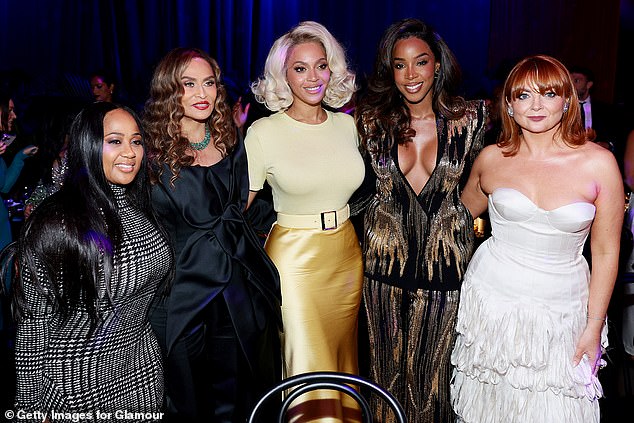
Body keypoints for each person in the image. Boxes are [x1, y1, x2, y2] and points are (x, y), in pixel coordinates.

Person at [451, 55, 623, 422]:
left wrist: (594, 326)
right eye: (524, 95)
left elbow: (607, 250)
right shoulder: (492, 159)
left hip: (563, 312)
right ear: (509, 106)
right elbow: (456, 223)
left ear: (566, 101)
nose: (536, 105)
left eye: (548, 93)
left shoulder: (599, 163)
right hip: (493, 306)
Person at [353, 18, 487, 423]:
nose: (411, 75)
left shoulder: (473, 120)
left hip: (445, 272)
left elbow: (496, 179)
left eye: (421, 62)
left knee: (434, 386)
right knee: (382, 381)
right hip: (382, 273)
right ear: (389, 70)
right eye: (399, 64)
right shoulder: (369, 122)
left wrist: (458, 220)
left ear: (438, 65)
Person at [1, 101, 172, 415]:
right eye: (115, 141)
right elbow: (33, 324)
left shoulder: (142, 209)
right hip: (76, 382)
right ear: (88, 145)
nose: (131, 152)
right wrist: (29, 408)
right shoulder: (57, 224)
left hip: (142, 371)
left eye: (136, 141)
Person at [144, 47, 281, 423]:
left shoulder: (232, 142)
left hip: (238, 289)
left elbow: (253, 208)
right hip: (184, 293)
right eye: (188, 84)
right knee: (189, 399)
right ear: (170, 91)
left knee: (240, 394)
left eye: (208, 83)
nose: (201, 93)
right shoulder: (151, 156)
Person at [245, 21, 364, 421]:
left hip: (346, 255)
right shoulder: (263, 133)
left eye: (321, 66)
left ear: (332, 69)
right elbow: (237, 210)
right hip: (294, 260)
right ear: (283, 75)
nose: (312, 77)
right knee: (307, 364)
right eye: (300, 68)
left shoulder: (347, 125)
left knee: (342, 360)